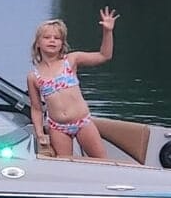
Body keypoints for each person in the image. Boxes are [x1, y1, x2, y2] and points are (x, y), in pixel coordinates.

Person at [26, 8, 118, 158]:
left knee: (102, 162)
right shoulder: (33, 77)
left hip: (82, 122)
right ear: (38, 43)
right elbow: (36, 109)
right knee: (66, 165)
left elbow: (104, 55)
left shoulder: (71, 60)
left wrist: (107, 32)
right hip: (57, 127)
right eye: (47, 37)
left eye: (57, 38)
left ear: (62, 44)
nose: (52, 40)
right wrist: (39, 132)